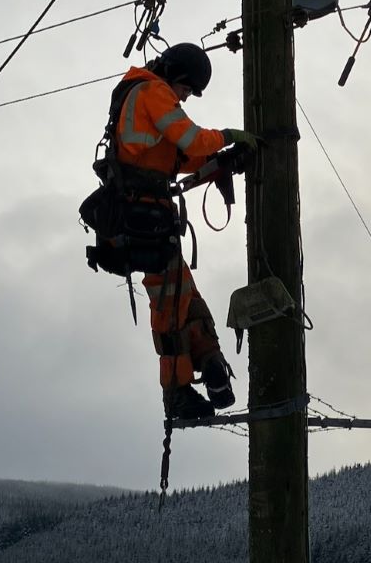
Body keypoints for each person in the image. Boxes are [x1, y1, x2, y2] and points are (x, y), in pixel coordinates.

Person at [103, 42, 258, 421]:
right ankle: (177, 391)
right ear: (176, 76)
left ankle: (208, 360)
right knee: (171, 306)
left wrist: (218, 160)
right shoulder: (152, 91)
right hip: (145, 219)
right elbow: (189, 139)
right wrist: (227, 136)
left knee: (182, 297)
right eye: (187, 90)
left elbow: (179, 156)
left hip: (146, 219)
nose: (186, 99)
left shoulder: (141, 97)